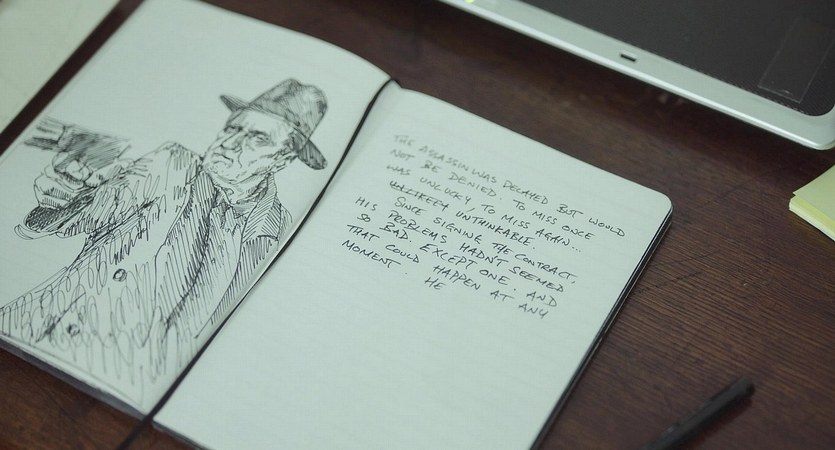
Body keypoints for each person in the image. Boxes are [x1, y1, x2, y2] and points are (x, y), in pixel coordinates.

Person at [0, 79, 327, 396]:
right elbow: (83, 214)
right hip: (41, 340)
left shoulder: (277, 227)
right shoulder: (172, 164)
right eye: (232, 129)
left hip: (139, 386)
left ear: (283, 158)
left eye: (257, 138)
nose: (229, 144)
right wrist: (65, 189)